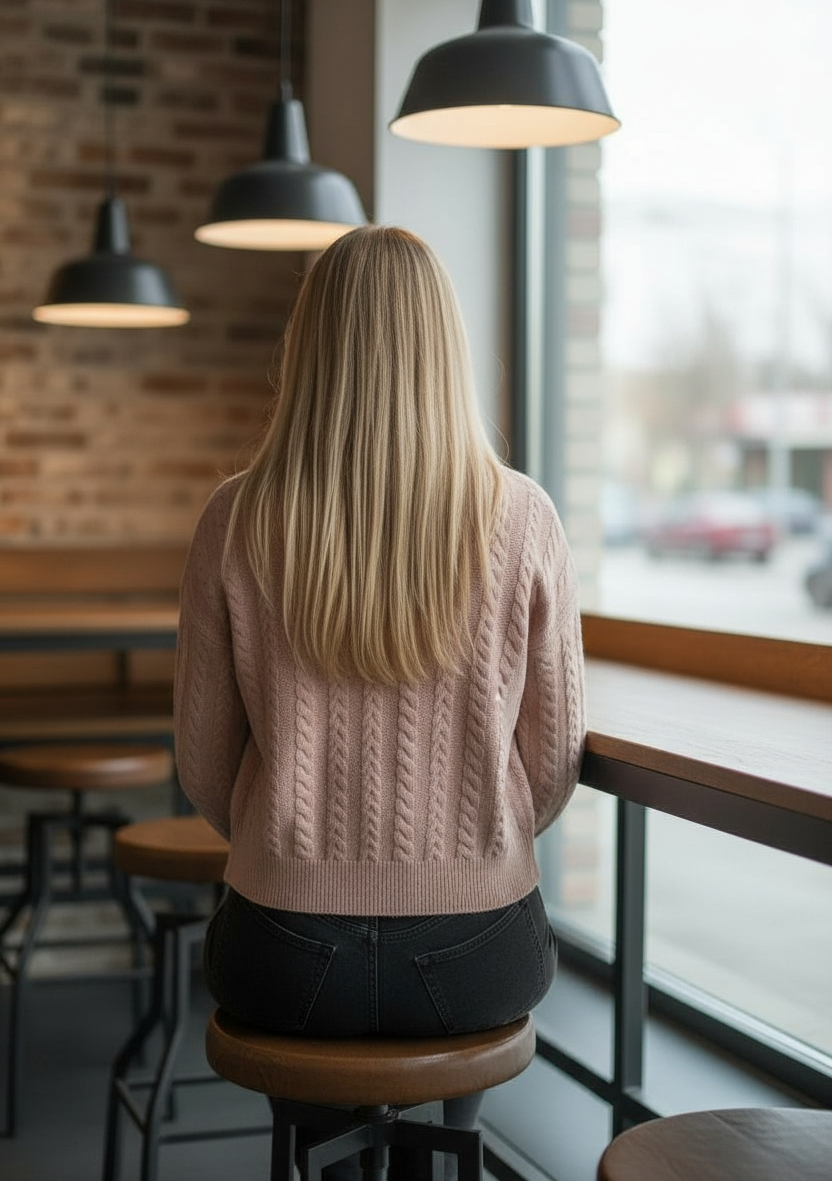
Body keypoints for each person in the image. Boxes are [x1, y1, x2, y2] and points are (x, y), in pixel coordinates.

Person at [174, 224, 585, 1170]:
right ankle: (443, 1153)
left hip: (281, 946)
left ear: (307, 347)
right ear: (445, 348)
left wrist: (295, 850)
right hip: (475, 949)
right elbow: (554, 766)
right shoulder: (524, 517)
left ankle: (324, 1151)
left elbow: (202, 768)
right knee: (464, 1003)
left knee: (306, 1052)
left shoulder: (234, 516)